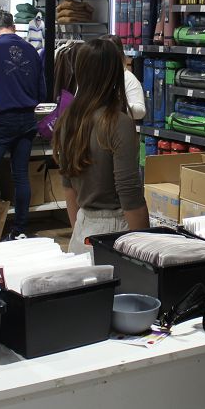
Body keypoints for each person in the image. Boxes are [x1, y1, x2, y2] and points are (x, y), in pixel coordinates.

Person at [52, 39, 148, 254]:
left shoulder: (70, 118)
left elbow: (68, 186)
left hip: (82, 226)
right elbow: (129, 193)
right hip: (115, 230)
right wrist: (146, 246)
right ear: (115, 73)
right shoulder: (117, 122)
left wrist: (78, 227)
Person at [0, 10, 45, 242]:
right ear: (13, 26)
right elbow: (41, 91)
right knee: (21, 175)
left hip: (0, 118)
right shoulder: (32, 51)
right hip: (27, 118)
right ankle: (20, 230)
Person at [100, 34, 146, 120]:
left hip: (116, 128)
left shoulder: (128, 78)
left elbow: (141, 111)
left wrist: (116, 105)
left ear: (119, 53)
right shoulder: (92, 75)